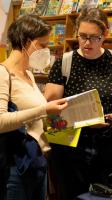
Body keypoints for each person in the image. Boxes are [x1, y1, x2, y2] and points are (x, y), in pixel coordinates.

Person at [44, 7, 112, 200]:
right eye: (82, 36)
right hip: (73, 149)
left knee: (111, 196)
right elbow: (50, 108)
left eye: (93, 37)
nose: (86, 43)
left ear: (104, 35)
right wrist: (86, 121)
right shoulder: (64, 63)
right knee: (74, 195)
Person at [0, 14, 68, 200]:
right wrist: (44, 109)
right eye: (43, 45)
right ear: (25, 42)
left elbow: (36, 119)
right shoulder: (3, 73)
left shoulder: (28, 74)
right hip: (16, 166)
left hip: (37, 161)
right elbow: (1, 121)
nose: (46, 51)